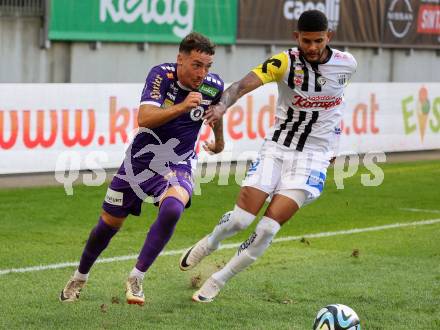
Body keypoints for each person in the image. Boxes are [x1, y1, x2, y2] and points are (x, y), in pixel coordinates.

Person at [179, 10, 357, 303]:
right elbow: (240, 85)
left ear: (329, 37)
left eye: (318, 41)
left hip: (313, 159)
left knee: (267, 228)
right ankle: (210, 243)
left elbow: (336, 108)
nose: (312, 47)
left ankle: (217, 280)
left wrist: (332, 147)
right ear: (296, 37)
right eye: (306, 41)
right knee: (240, 220)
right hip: (277, 149)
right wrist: (223, 105)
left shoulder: (347, 64)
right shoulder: (284, 62)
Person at [60, 32, 225, 306]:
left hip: (178, 162)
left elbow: (216, 114)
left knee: (173, 208)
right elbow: (145, 118)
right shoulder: (162, 75)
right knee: (108, 226)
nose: (202, 73)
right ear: (180, 59)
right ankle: (80, 276)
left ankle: (137, 277)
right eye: (197, 65)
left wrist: (219, 142)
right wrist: (183, 107)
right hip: (140, 162)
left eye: (207, 66)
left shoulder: (212, 86)